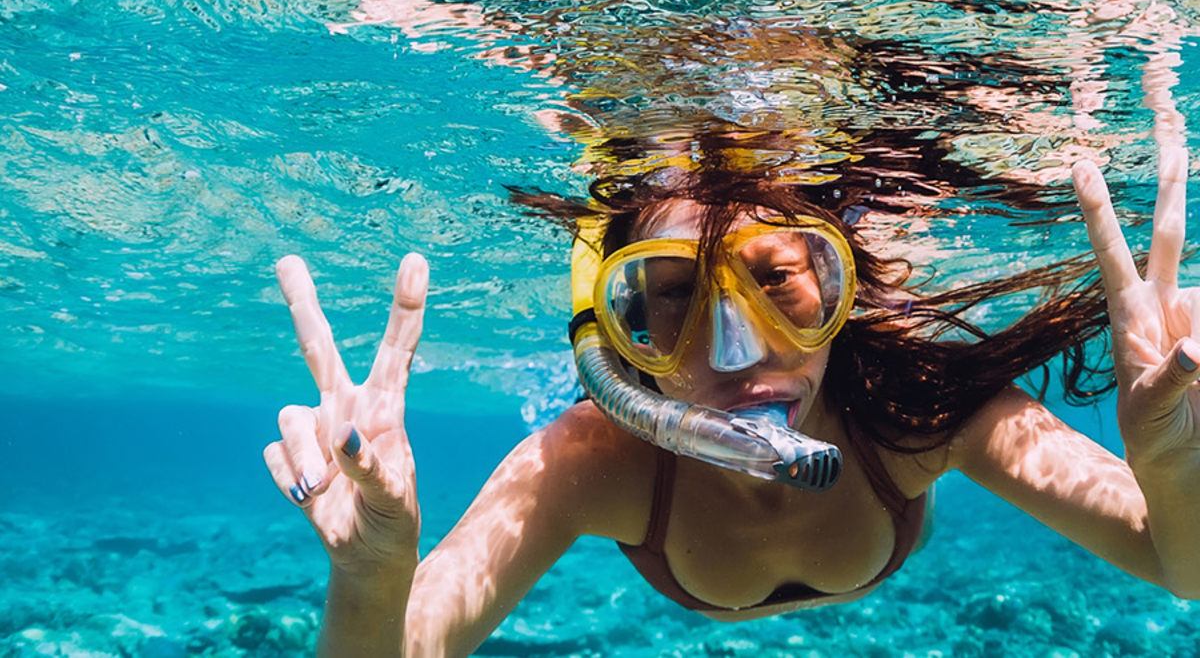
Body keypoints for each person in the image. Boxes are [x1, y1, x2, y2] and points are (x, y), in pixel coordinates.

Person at [263, 130, 1200, 655]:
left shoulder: (916, 414)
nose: (737, 351)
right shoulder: (594, 462)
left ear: (843, 291)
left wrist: (1175, 467)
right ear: (612, 339)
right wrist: (373, 577)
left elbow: (1184, 566)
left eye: (781, 281)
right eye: (669, 300)